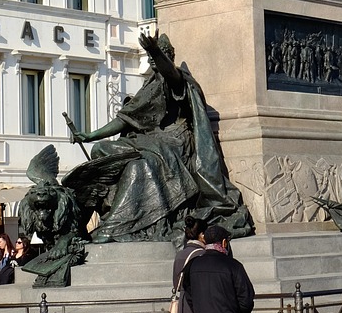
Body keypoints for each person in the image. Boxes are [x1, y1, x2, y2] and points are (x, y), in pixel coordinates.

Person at [67, 32, 251, 244]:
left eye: (156, 54)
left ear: (167, 57)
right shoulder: (149, 86)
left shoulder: (176, 80)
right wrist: (91, 135)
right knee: (100, 151)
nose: (151, 58)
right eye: (149, 54)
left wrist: (156, 51)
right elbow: (127, 119)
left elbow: (172, 74)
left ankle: (120, 225)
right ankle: (80, 225)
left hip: (174, 142)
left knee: (141, 166)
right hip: (150, 140)